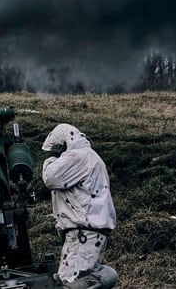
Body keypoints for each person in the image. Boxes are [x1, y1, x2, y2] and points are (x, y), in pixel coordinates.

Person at [41, 123, 117, 286]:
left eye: (57, 149)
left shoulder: (77, 156)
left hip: (83, 233)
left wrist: (50, 160)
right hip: (92, 231)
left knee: (70, 282)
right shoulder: (91, 156)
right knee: (85, 280)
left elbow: (51, 178)